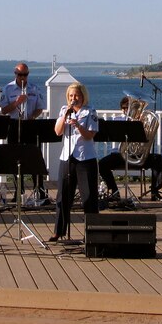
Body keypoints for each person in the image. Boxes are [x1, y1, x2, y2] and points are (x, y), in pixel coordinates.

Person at [50, 83, 99, 241]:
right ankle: (59, 231)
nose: (73, 98)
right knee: (63, 196)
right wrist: (65, 117)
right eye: (71, 96)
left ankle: (92, 232)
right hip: (67, 158)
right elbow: (57, 132)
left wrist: (78, 125)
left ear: (83, 96)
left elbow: (90, 135)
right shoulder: (65, 110)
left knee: (89, 197)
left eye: (76, 95)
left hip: (85, 158)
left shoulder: (90, 111)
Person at [96, 96, 162, 201]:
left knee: (159, 160)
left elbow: (147, 139)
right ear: (121, 109)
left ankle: (154, 192)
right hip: (119, 155)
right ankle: (114, 191)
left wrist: (142, 127)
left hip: (138, 155)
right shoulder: (117, 120)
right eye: (125, 108)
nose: (127, 110)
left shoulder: (142, 122)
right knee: (102, 164)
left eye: (129, 108)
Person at [0, 63, 47, 201]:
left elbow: (40, 107)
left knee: (34, 157)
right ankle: (18, 191)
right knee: (15, 159)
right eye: (20, 75)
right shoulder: (8, 89)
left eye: (25, 75)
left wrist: (33, 116)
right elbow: (3, 110)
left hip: (29, 124)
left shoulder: (34, 88)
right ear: (15, 73)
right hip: (14, 124)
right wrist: (16, 102)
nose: (22, 78)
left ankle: (39, 189)